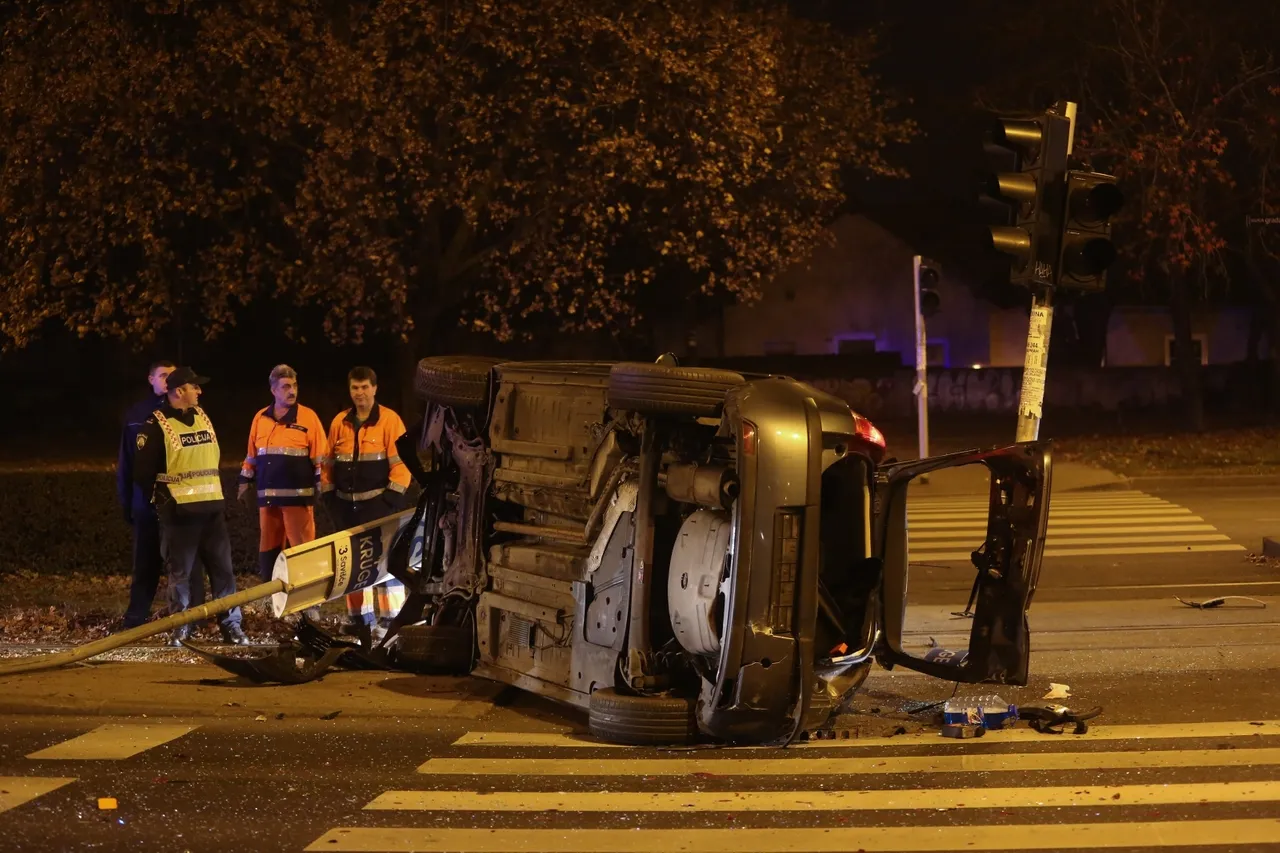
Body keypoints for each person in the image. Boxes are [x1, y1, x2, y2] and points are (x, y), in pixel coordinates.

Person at [132, 367, 248, 646]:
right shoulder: (155, 424)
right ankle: (182, 627)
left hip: (211, 510)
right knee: (181, 575)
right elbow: (142, 472)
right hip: (180, 513)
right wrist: (162, 502)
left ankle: (231, 626)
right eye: (194, 387)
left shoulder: (203, 417)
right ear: (180, 391)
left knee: (224, 573)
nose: (200, 391)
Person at [321, 366, 411, 641]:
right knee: (353, 565)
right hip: (346, 507)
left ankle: (390, 620)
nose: (359, 393)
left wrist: (390, 500)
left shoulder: (390, 420)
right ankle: (359, 619)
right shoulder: (340, 422)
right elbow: (327, 463)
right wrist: (329, 498)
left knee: (385, 563)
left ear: (374, 388)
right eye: (354, 388)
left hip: (379, 507)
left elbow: (402, 464)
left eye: (364, 387)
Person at [117, 360, 209, 628]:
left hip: (181, 503)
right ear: (151, 380)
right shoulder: (137, 415)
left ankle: (194, 616)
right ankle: (136, 618)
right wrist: (128, 502)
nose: (169, 380)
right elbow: (127, 462)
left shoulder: (190, 413)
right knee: (145, 562)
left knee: (188, 564)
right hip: (147, 503)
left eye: (172, 376)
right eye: (163, 375)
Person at [237, 364, 328, 586]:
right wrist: (244, 482)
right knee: (269, 549)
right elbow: (251, 456)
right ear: (273, 390)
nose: (292, 391)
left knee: (303, 549)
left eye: (294, 385)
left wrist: (323, 486)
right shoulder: (261, 418)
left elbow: (321, 458)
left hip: (297, 500)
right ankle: (271, 595)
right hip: (268, 500)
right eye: (286, 386)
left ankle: (308, 600)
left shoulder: (308, 417)